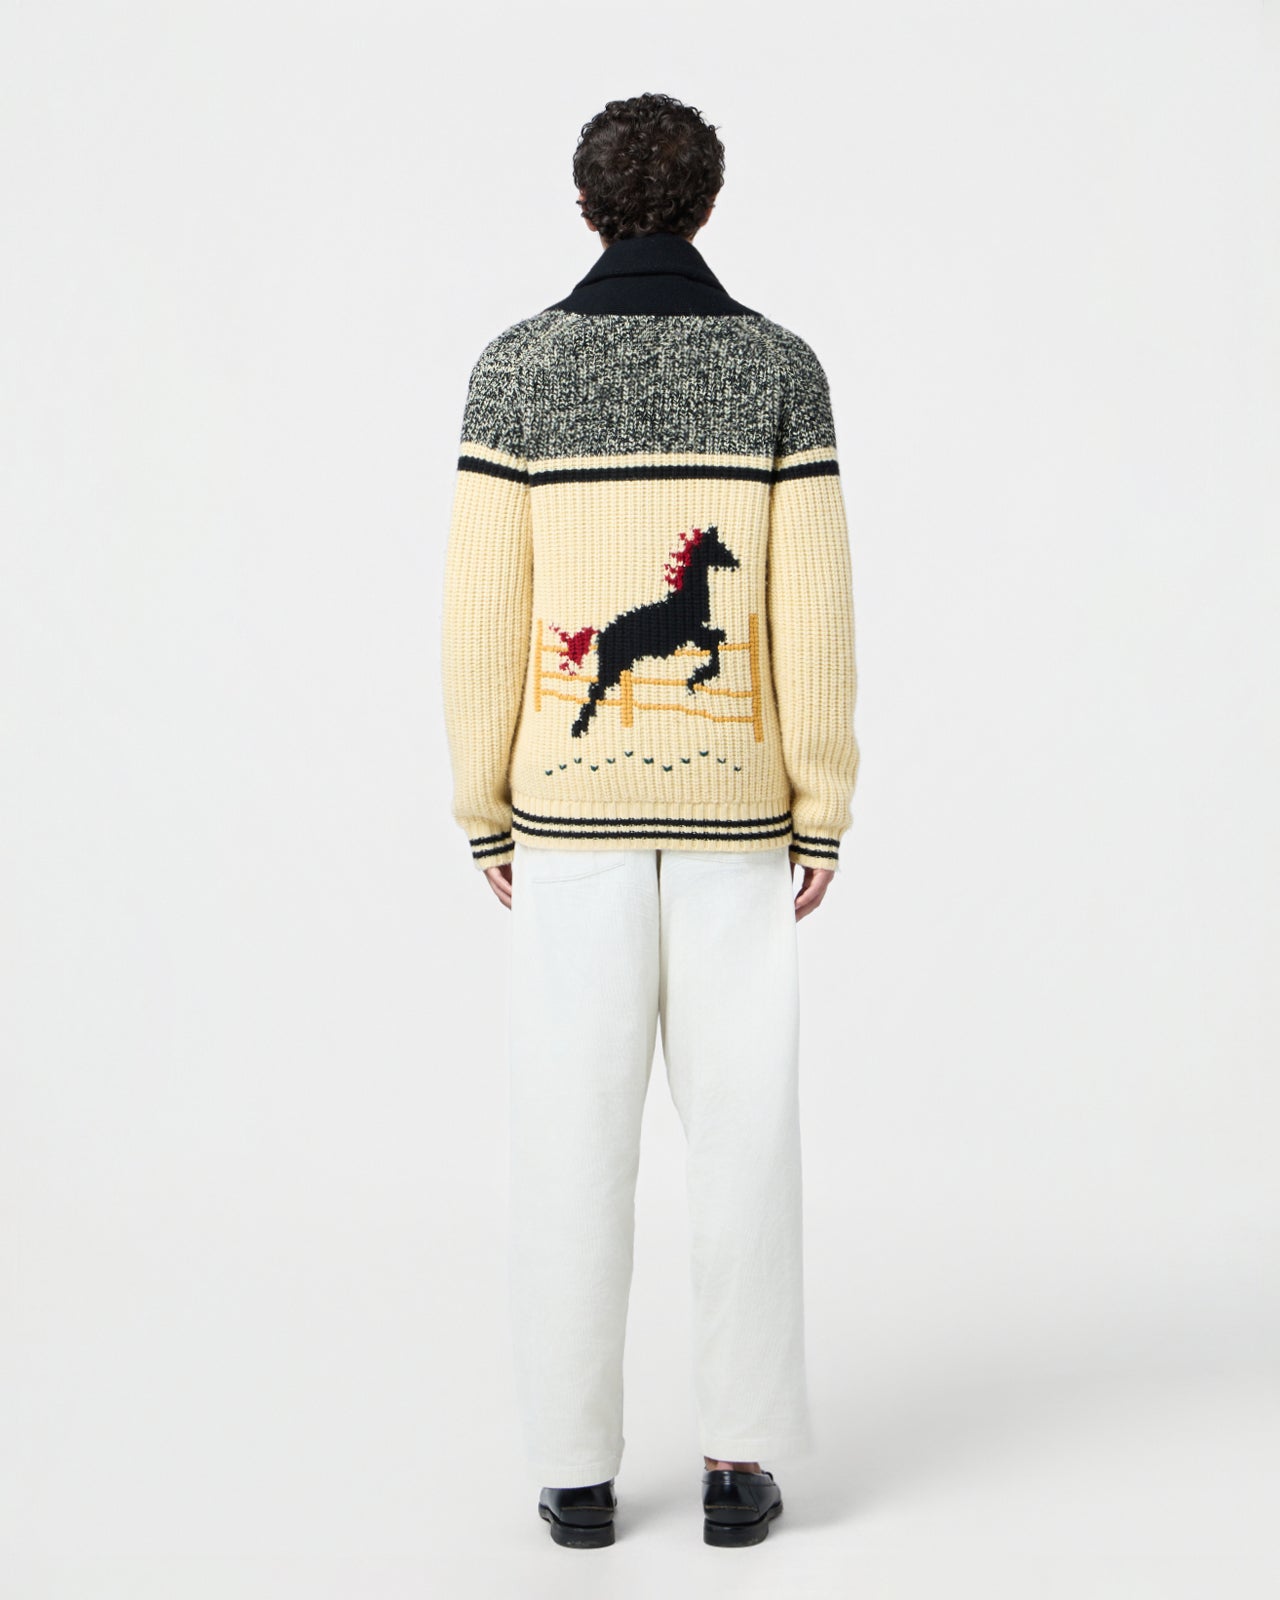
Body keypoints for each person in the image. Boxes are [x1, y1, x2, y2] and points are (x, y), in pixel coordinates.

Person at [440, 91, 860, 1548]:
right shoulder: (778, 368)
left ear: (586, 207)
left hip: (567, 831)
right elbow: (812, 605)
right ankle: (739, 1465)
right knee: (745, 1138)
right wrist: (821, 802)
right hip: (740, 822)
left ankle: (573, 1471)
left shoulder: (518, 370)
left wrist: (484, 804)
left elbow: (482, 610)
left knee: (570, 1135)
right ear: (708, 204)